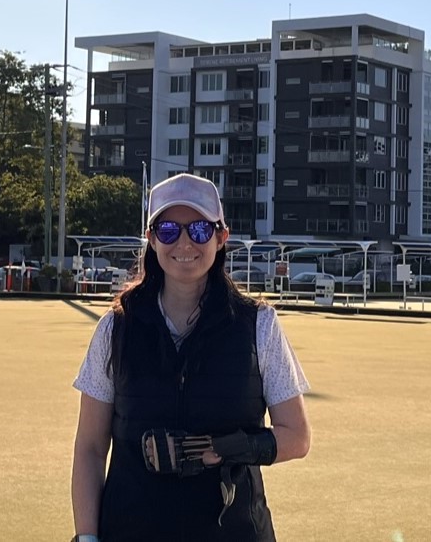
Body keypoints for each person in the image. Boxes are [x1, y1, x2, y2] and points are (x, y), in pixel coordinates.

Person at [70, 173, 311, 542]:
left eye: (199, 229)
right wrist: (87, 538)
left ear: (221, 237)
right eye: (168, 230)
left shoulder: (259, 325)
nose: (184, 242)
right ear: (151, 239)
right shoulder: (114, 329)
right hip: (130, 529)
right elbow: (89, 447)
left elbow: (297, 436)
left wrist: (233, 447)